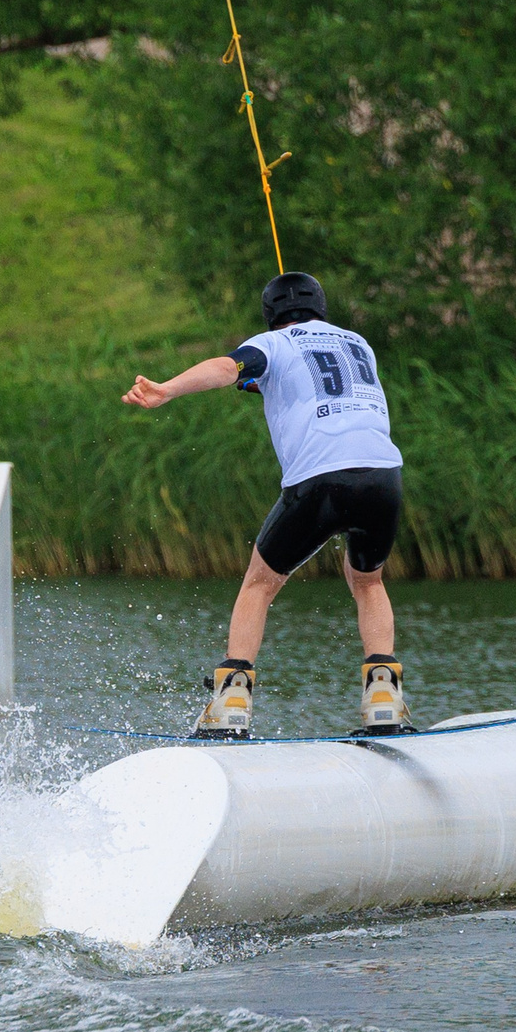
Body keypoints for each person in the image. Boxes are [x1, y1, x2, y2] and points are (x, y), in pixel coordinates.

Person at [119, 272, 408, 737]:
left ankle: (232, 703)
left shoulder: (272, 346)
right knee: (368, 581)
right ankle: (383, 700)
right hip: (382, 477)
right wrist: (261, 385)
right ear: (322, 306)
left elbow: (227, 368)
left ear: (269, 315)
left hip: (319, 480)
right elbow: (322, 387)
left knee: (259, 583)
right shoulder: (358, 343)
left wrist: (168, 388)